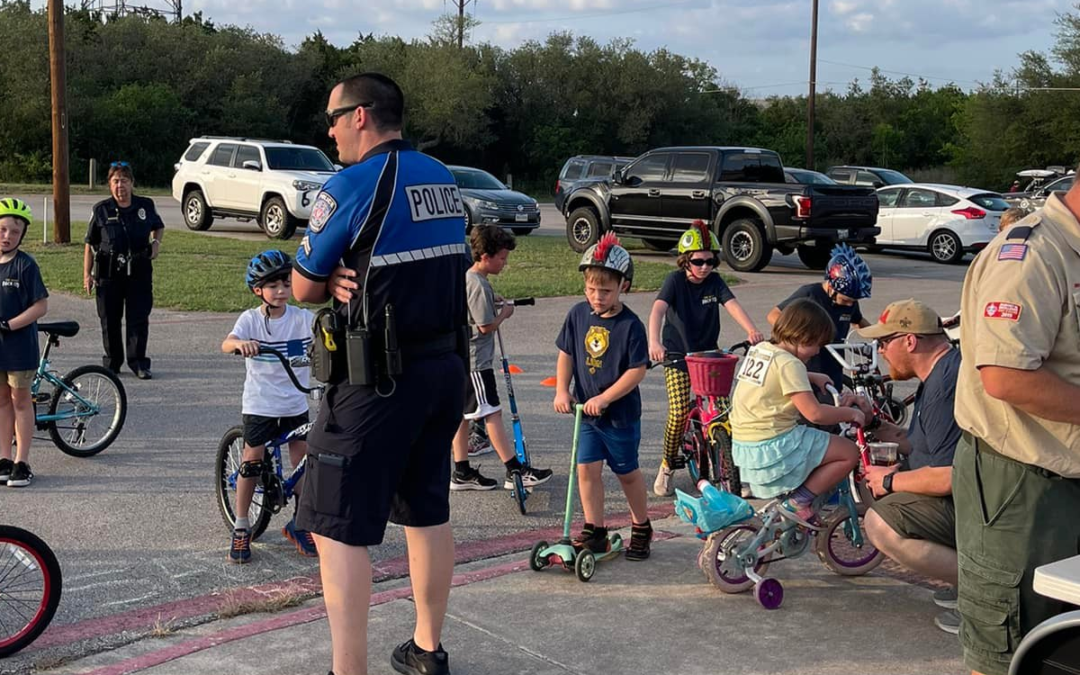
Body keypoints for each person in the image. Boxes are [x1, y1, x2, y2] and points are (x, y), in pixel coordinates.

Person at [291, 72, 468, 675]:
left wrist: (338, 270)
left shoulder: (351, 184)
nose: (330, 129)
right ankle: (427, 648)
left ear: (361, 115)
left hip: (377, 380)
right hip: (445, 371)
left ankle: (349, 668)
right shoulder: (441, 178)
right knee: (427, 510)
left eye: (334, 116)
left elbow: (304, 285)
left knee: (336, 525)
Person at [953, 181, 1080, 675]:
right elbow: (1006, 376)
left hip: (1063, 478)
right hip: (1023, 485)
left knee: (1065, 649)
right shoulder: (1031, 254)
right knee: (1015, 649)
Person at [855, 299, 963, 635]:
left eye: (884, 343)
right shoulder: (940, 371)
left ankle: (985, 593)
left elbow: (947, 476)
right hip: (968, 498)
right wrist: (874, 423)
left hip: (968, 504)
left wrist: (891, 481)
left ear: (910, 341)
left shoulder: (942, 389)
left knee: (879, 524)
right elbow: (925, 443)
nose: (881, 352)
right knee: (876, 491)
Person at [553, 232, 653, 560]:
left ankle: (641, 526)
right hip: (586, 413)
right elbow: (567, 353)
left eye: (606, 290)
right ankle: (595, 529)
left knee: (626, 473)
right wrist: (561, 389)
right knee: (586, 470)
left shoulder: (631, 326)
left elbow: (636, 370)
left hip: (618, 416)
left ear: (623, 286)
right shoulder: (578, 315)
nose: (597, 296)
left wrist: (607, 397)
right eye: (592, 289)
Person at [647, 220, 764, 497]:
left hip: (708, 356)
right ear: (685, 260)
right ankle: (667, 465)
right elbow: (657, 310)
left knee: (724, 416)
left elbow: (732, 304)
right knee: (677, 413)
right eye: (698, 261)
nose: (705, 267)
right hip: (677, 355)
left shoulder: (714, 281)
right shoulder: (674, 281)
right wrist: (654, 342)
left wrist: (751, 330)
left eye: (711, 261)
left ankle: (731, 469)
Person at [729, 299, 864, 526]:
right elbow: (815, 414)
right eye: (816, 345)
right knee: (849, 452)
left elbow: (773, 378)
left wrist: (811, 376)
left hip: (746, 443)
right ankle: (799, 501)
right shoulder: (791, 365)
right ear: (803, 337)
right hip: (774, 444)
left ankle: (794, 501)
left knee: (817, 443)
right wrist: (849, 414)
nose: (817, 351)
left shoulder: (761, 349)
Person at [221, 251, 316, 563]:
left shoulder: (302, 319)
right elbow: (227, 342)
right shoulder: (250, 320)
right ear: (257, 290)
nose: (281, 290)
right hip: (261, 403)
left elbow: (326, 334)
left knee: (304, 461)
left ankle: (300, 524)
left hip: (294, 402)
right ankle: (242, 525)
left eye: (286, 283)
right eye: (272, 285)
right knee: (251, 461)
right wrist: (240, 345)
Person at [449, 225, 552, 491]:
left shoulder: (470, 278)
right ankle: (514, 469)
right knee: (491, 412)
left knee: (464, 415)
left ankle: (461, 470)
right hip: (477, 363)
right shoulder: (478, 284)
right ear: (485, 256)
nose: (505, 263)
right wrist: (504, 313)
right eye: (502, 258)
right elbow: (485, 326)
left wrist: (494, 299)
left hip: (464, 359)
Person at [83, 162, 164, 380]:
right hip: (108, 272)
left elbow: (158, 226)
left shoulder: (145, 205)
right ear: (109, 185)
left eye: (124, 181)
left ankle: (138, 362)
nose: (121, 186)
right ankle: (112, 362)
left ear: (132, 183)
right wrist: (87, 274)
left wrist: (156, 243)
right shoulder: (101, 210)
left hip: (139, 270)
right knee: (109, 319)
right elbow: (90, 244)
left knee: (138, 317)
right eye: (116, 181)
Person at [766, 243, 872, 390]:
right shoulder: (810, 294)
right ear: (830, 287)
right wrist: (801, 337)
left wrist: (879, 337)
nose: (849, 305)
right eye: (845, 300)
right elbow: (773, 315)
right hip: (808, 365)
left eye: (853, 301)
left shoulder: (849, 303)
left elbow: (859, 321)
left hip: (833, 367)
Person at [0, 199, 48, 488]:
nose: (7, 236)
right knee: (2, 401)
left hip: (18, 347)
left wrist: (9, 324)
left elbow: (41, 306)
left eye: (14, 232)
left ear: (22, 235)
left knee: (20, 402)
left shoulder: (25, 266)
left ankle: (22, 461)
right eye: (2, 229)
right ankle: (4, 458)